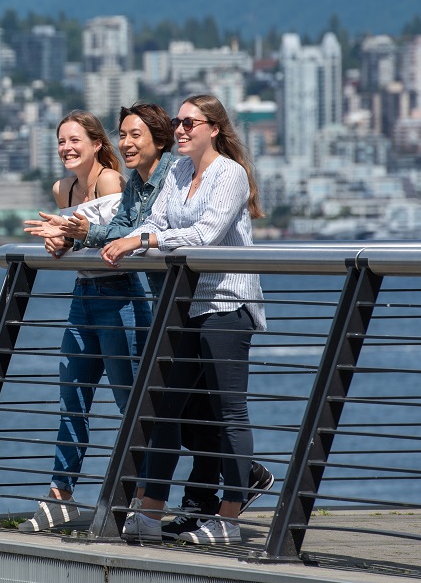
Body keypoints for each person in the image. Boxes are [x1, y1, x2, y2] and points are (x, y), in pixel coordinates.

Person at [102, 94, 267, 546]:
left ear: (214, 129)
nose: (180, 129)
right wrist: (143, 238)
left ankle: (228, 518)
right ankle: (149, 515)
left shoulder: (229, 174)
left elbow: (205, 235)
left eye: (191, 123)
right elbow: (152, 224)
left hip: (227, 303)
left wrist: (145, 240)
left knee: (228, 411)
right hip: (185, 305)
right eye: (177, 121)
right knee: (166, 408)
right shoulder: (176, 171)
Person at [15, 110, 152, 533]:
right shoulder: (63, 187)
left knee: (130, 403)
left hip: (120, 296)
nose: (67, 149)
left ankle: (142, 499)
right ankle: (61, 496)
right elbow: (75, 243)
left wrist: (67, 233)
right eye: (61, 142)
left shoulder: (111, 180)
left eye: (75, 140)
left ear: (96, 144)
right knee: (71, 398)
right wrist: (58, 241)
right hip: (84, 296)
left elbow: (113, 234)